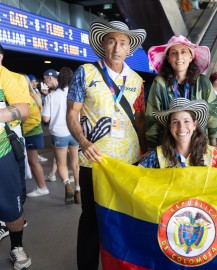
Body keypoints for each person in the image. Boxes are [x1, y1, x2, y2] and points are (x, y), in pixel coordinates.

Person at [67, 19, 147, 270]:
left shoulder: (136, 80)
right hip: (94, 161)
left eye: (122, 42)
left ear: (129, 48)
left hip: (129, 163)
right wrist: (83, 142)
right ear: (103, 44)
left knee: (124, 218)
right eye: (111, 40)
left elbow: (140, 120)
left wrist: (144, 153)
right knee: (91, 219)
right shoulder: (86, 72)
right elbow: (72, 113)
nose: (116, 47)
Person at [146, 35, 217, 149]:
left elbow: (213, 114)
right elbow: (152, 116)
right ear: (168, 58)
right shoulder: (159, 83)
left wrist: (214, 145)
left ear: (191, 57)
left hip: (199, 146)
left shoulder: (203, 82)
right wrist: (151, 148)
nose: (179, 57)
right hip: (168, 146)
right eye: (174, 53)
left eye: (183, 52)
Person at [0, 43, 32, 269]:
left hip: (2, 151)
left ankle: (17, 247)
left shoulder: (6, 77)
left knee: (12, 205)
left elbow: (23, 108)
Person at [139, 98, 217, 169]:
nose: (181, 127)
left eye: (186, 121)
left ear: (194, 125)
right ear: (169, 126)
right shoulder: (157, 156)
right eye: (175, 122)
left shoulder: (212, 155)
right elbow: (137, 179)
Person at [42, 67, 80, 204]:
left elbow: (45, 119)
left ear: (59, 79)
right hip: (75, 133)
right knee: (75, 163)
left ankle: (67, 185)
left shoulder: (51, 96)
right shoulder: (76, 95)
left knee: (61, 163)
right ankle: (77, 189)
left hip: (59, 134)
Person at [24, 74, 50, 198]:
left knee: (33, 161)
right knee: (33, 160)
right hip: (35, 130)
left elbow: (22, 116)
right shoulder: (33, 95)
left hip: (31, 131)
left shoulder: (26, 98)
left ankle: (42, 187)